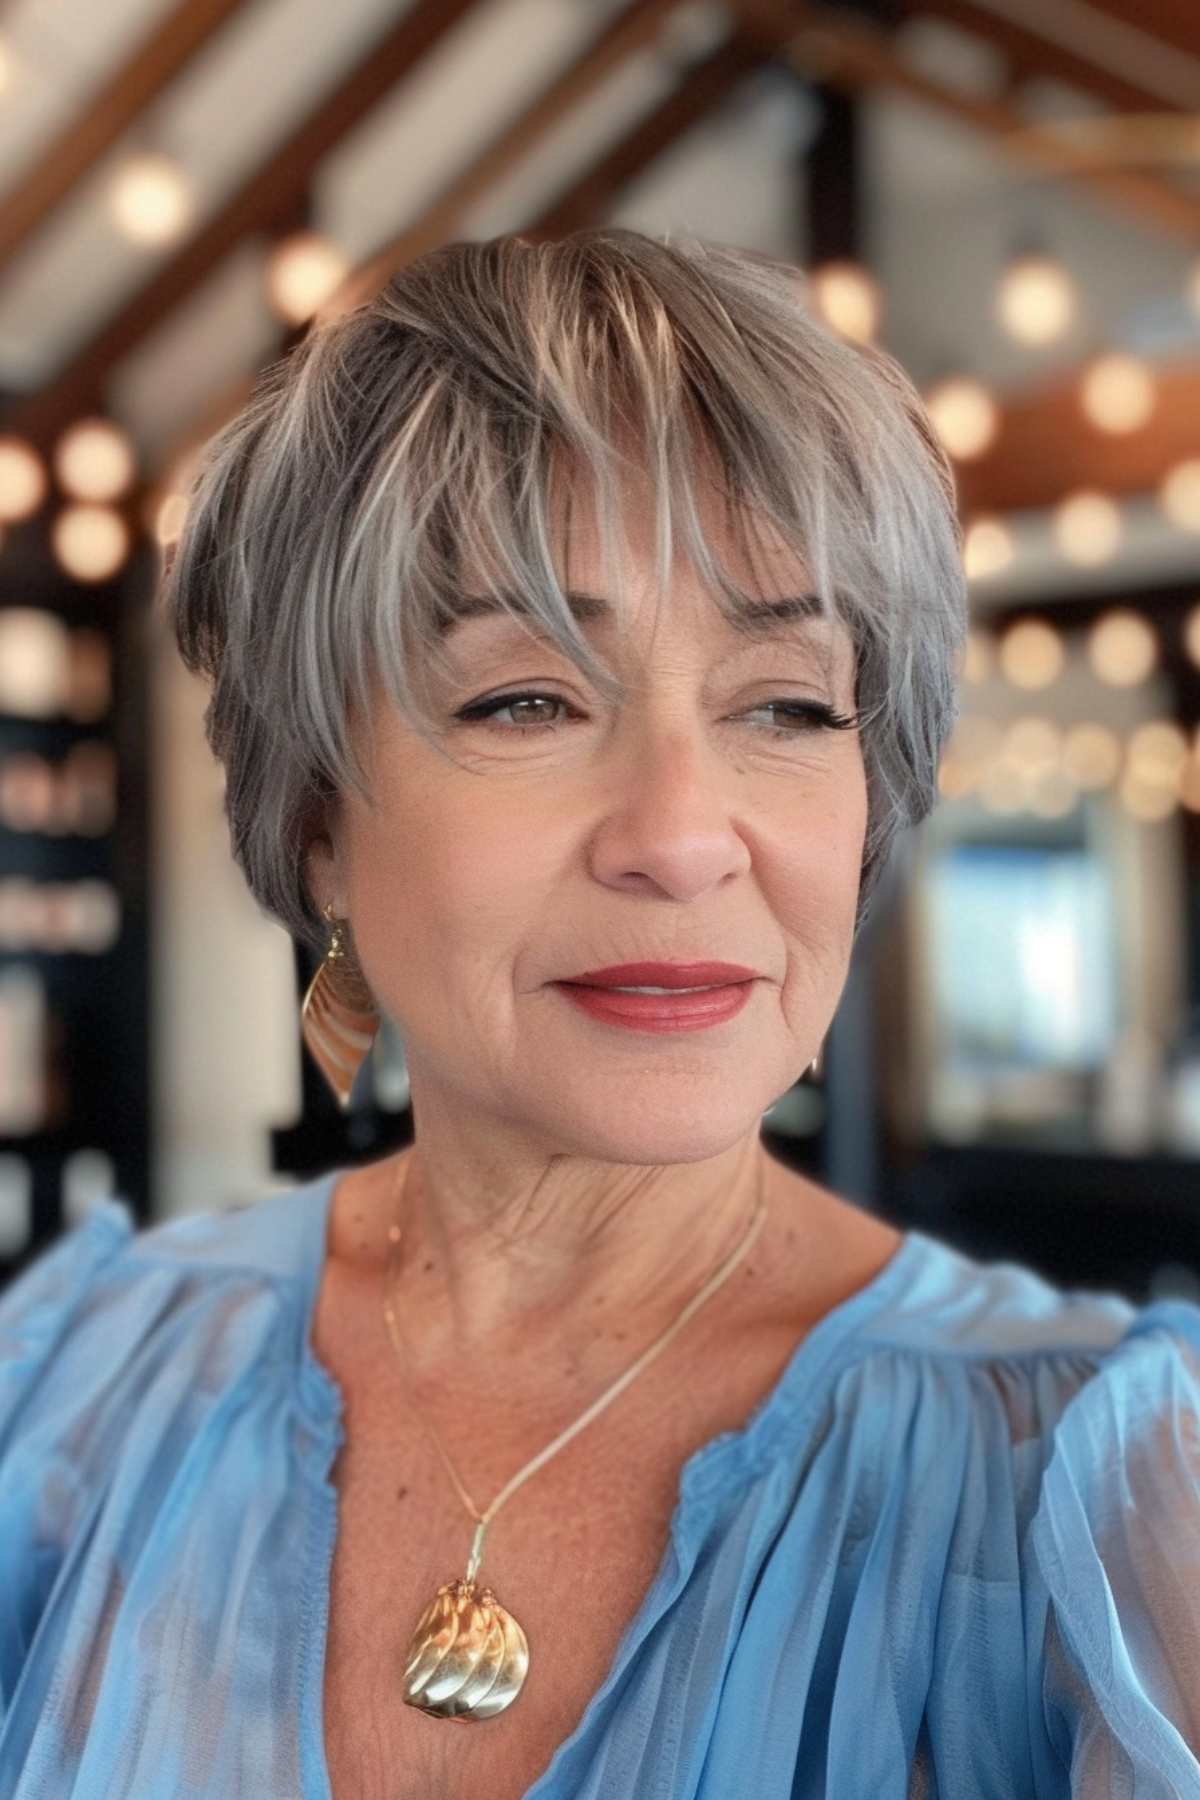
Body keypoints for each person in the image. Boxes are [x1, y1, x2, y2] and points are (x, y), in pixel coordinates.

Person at [2, 227, 1199, 1800]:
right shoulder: (72, 1376)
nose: (683, 834)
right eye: (527, 700)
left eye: (783, 703)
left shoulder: (1114, 1497)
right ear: (315, 824)